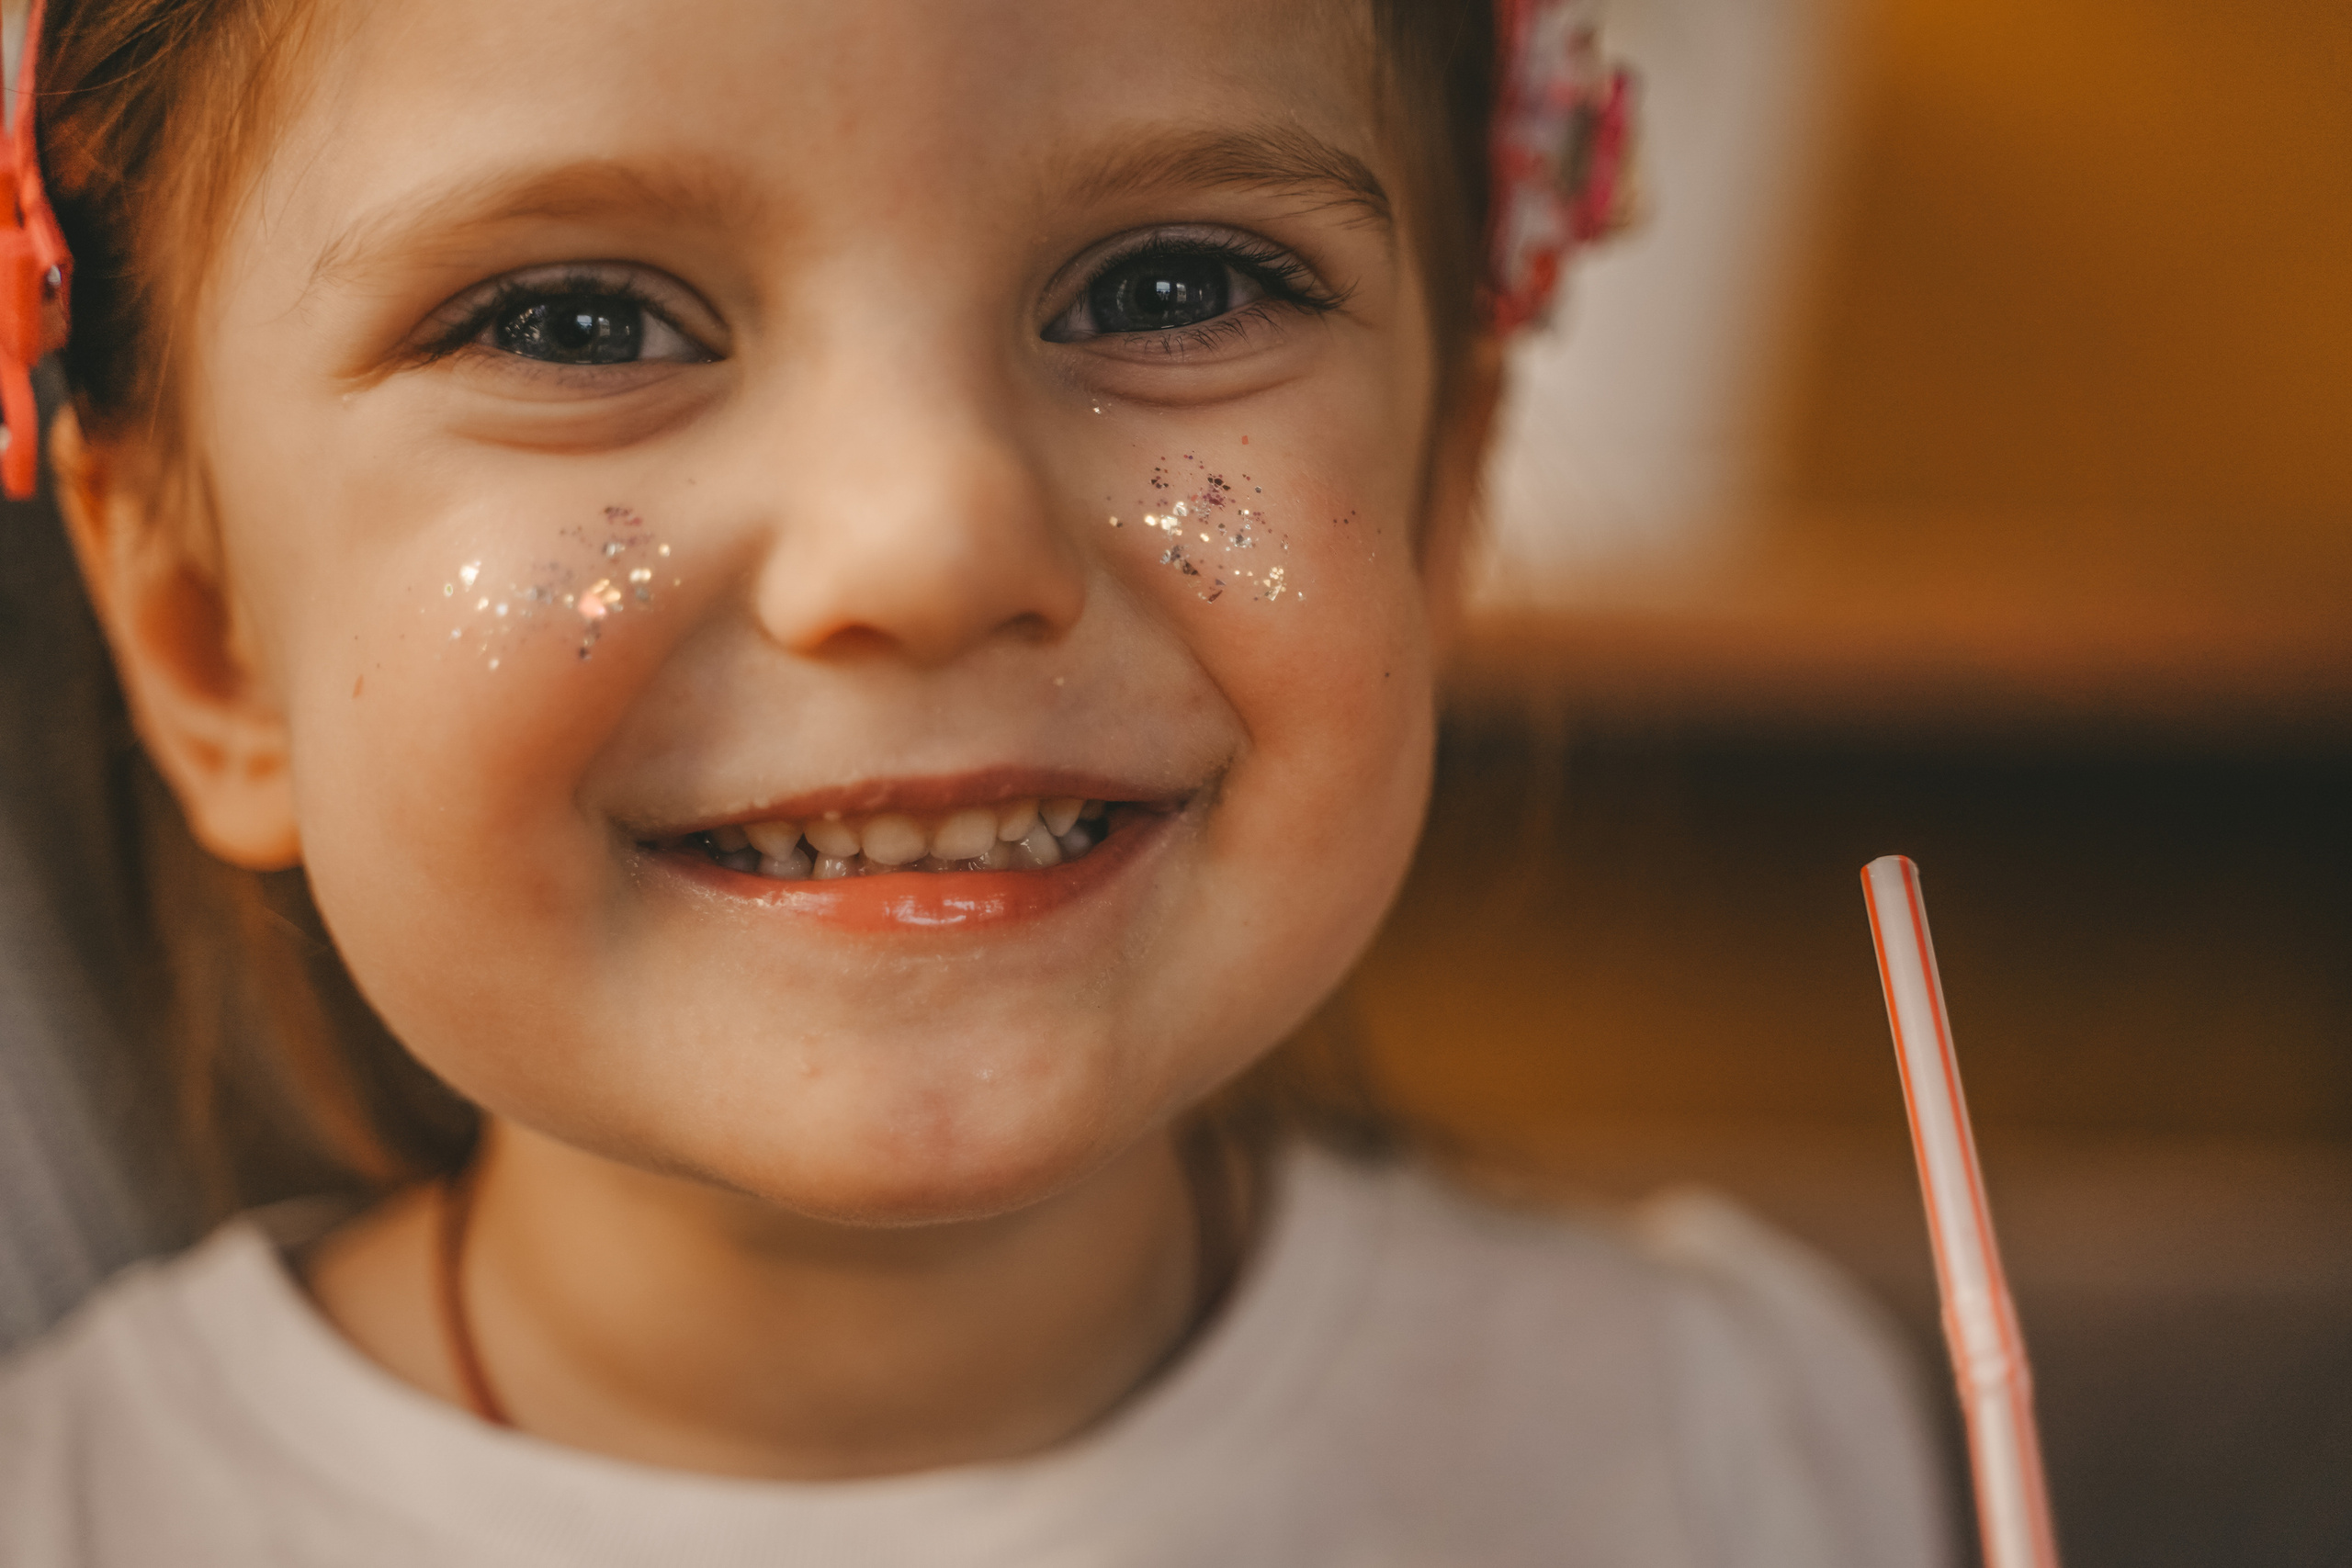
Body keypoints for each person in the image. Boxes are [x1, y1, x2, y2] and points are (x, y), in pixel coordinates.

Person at [0, 0, 1951, 1562]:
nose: (926, 541)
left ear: (1439, 498)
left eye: (1168, 288)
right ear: (206, 637)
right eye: (578, 323)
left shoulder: (1721, 1449)